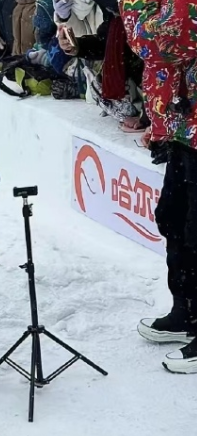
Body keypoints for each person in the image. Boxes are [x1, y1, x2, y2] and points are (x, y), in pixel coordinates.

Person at [120, 0, 197, 372]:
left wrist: (144, 15)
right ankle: (187, 312)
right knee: (174, 219)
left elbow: (153, 38)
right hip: (184, 127)